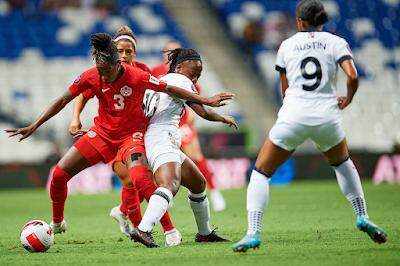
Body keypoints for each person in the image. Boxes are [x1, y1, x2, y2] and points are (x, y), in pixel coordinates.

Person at [5, 33, 233, 242]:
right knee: (59, 174)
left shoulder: (139, 74)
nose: (103, 76)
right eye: (100, 70)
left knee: (140, 181)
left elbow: (168, 89)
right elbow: (65, 99)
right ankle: (58, 223)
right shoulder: (93, 75)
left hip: (131, 137)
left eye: (107, 71)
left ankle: (166, 229)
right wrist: (36, 125)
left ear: (122, 61)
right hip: (102, 133)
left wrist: (206, 101)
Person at [232, 0, 387, 253]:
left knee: (260, 172)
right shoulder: (336, 42)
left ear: (299, 22)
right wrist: (347, 99)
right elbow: (353, 75)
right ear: (323, 20)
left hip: (294, 116)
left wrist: (293, 109)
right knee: (342, 163)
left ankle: (252, 232)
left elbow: (284, 88)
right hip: (327, 117)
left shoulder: (286, 45)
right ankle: (362, 215)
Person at [69, 26, 181, 246]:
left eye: (128, 51)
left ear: (134, 53)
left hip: (139, 133)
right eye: (119, 50)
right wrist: (75, 118)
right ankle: (147, 228)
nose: (123, 55)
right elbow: (83, 94)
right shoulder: (105, 71)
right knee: (132, 179)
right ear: (113, 51)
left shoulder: (142, 71)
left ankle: (124, 212)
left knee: (140, 180)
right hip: (112, 136)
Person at [130, 48, 238, 248]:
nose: (195, 78)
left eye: (198, 75)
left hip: (158, 137)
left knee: (198, 183)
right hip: (161, 137)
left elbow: (202, 112)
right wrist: (217, 111)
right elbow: (203, 112)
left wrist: (222, 118)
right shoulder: (181, 80)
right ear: (179, 67)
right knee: (169, 184)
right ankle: (143, 229)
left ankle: (204, 233)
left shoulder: (164, 78)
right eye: (193, 73)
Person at [153, 41, 227, 212]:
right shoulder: (155, 71)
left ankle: (215, 192)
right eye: (168, 51)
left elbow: (194, 98)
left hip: (182, 122)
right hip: (160, 122)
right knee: (158, 160)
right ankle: (163, 194)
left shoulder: (189, 75)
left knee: (195, 155)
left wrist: (192, 115)